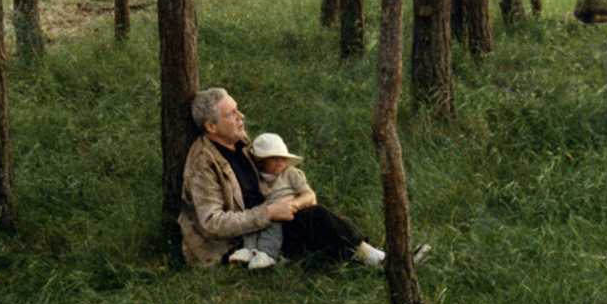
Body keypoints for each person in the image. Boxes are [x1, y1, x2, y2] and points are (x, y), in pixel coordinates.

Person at [178, 87, 429, 268]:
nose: (241, 116)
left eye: (237, 110)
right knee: (319, 222)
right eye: (231, 113)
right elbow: (212, 222)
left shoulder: (241, 144)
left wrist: (293, 200)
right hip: (238, 243)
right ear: (211, 127)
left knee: (317, 219)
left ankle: (378, 260)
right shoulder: (203, 162)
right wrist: (268, 213)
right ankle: (386, 263)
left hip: (269, 223)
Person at [229, 132, 314, 270]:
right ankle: (249, 249)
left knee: (272, 224)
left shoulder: (290, 173)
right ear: (260, 161)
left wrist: (294, 204)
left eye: (283, 158)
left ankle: (267, 253)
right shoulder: (256, 178)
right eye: (274, 158)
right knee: (255, 216)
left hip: (287, 212)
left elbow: (309, 195)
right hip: (266, 209)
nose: (280, 162)